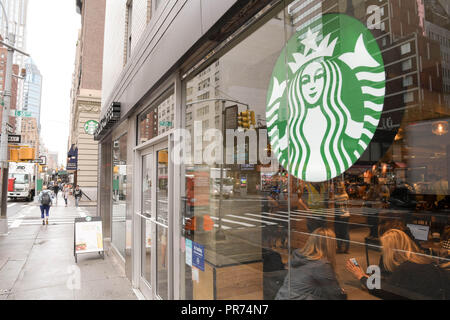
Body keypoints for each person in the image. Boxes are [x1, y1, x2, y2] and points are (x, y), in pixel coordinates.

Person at [346, 229, 450, 299]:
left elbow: (384, 292)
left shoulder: (405, 269)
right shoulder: (421, 259)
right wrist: (365, 277)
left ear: (392, 251)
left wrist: (361, 277)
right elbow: (391, 285)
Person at [275, 228, 346, 300]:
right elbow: (336, 295)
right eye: (335, 244)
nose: (336, 247)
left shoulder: (299, 258)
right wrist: (342, 292)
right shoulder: (321, 265)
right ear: (330, 246)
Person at [334, 180, 351, 254]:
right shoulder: (346, 195)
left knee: (338, 232)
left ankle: (340, 248)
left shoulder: (337, 196)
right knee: (345, 232)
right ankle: (347, 249)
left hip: (339, 215)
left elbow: (336, 206)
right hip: (346, 215)